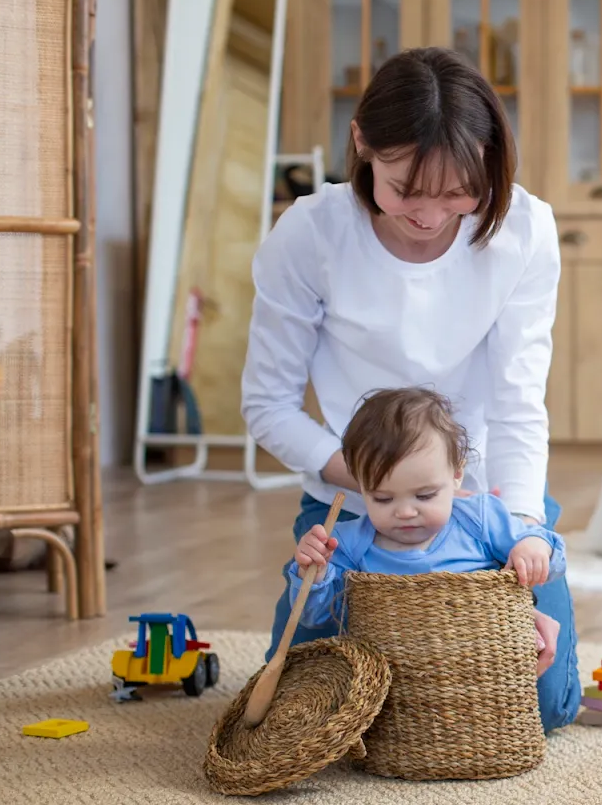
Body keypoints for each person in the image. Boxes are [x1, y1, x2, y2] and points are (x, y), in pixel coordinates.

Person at [241, 46, 579, 728]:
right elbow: (268, 405)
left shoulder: (523, 230)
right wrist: (378, 485)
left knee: (539, 708)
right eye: (405, 190)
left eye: (459, 193)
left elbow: (518, 402)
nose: (430, 216)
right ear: (363, 143)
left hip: (480, 500)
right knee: (304, 712)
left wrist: (519, 533)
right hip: (353, 513)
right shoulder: (310, 235)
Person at [282, 389, 568, 704]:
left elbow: (551, 558)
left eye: (425, 495)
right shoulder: (348, 542)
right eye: (383, 498)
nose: (405, 512)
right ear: (360, 486)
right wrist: (316, 571)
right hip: (396, 682)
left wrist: (533, 545)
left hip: (482, 668)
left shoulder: (481, 516)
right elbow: (314, 614)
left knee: (547, 701)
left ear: (457, 475)